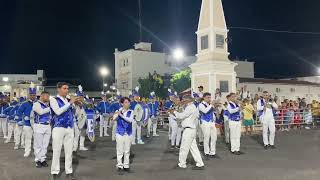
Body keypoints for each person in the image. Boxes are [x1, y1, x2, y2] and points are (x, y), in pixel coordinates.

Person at [50, 82, 80, 180]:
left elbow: (74, 114)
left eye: (67, 88)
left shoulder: (68, 100)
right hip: (58, 127)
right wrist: (70, 103)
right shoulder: (53, 99)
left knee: (69, 152)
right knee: (57, 151)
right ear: (58, 89)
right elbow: (58, 112)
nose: (67, 90)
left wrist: (77, 105)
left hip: (69, 128)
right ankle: (54, 172)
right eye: (64, 88)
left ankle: (69, 172)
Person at [173, 95, 204, 170]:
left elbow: (182, 116)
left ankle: (182, 164)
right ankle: (200, 163)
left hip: (188, 130)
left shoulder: (190, 107)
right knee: (194, 148)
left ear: (188, 100)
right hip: (191, 129)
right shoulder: (192, 107)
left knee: (184, 148)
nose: (183, 101)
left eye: (184, 99)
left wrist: (174, 112)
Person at [112, 97, 134, 174]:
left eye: (128, 102)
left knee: (127, 150)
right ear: (122, 103)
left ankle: (126, 165)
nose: (128, 104)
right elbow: (114, 119)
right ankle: (119, 165)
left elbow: (130, 120)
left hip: (128, 133)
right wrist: (118, 113)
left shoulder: (131, 111)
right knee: (120, 150)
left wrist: (121, 115)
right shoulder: (118, 111)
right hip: (120, 133)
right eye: (126, 102)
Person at [32, 91, 52, 168]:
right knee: (38, 145)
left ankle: (43, 159)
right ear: (42, 96)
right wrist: (50, 108)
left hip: (47, 126)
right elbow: (40, 112)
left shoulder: (47, 105)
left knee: (45, 145)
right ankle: (37, 160)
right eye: (46, 96)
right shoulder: (36, 104)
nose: (48, 98)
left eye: (48, 96)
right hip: (39, 125)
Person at [17, 83, 37, 157]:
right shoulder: (24, 104)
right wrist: (23, 117)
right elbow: (19, 112)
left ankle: (36, 152)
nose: (32, 96)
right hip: (27, 124)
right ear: (29, 95)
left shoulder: (38, 103)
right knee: (28, 139)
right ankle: (27, 151)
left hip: (36, 124)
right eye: (31, 95)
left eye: (34, 95)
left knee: (36, 139)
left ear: (35, 95)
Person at [198, 92, 217, 159]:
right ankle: (206, 152)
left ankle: (213, 152)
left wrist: (214, 119)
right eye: (208, 97)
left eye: (210, 97)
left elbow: (213, 112)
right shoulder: (201, 104)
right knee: (206, 138)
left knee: (214, 138)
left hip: (211, 122)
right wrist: (211, 105)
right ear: (204, 98)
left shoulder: (210, 105)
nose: (209, 99)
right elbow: (205, 111)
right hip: (205, 122)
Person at [73, 86, 88, 152]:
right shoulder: (75, 103)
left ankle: (81, 146)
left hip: (84, 120)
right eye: (80, 96)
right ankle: (74, 147)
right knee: (76, 134)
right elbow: (74, 112)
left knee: (83, 134)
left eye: (82, 97)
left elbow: (90, 107)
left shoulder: (85, 103)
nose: (81, 98)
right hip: (77, 120)